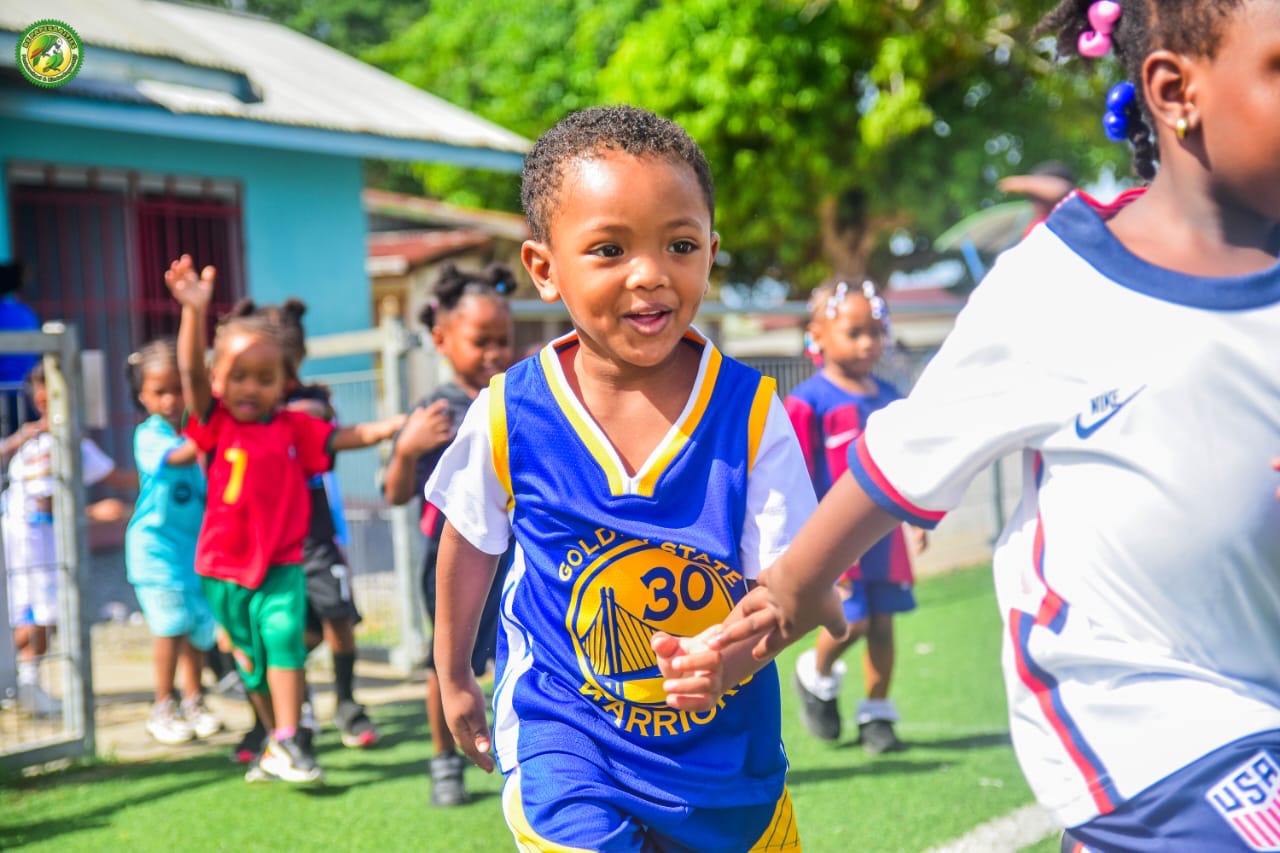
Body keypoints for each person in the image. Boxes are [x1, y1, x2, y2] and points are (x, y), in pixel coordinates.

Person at [666, 1, 1280, 850]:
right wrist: (782, 599)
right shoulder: (1063, 286)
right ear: (1176, 91)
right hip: (1142, 720)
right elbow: (897, 464)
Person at [425, 104, 816, 850]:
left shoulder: (752, 414)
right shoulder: (509, 412)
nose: (651, 274)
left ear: (711, 253)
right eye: (609, 249)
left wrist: (728, 658)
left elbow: (787, 588)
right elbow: (468, 540)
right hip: (568, 739)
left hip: (725, 767)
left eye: (680, 245)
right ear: (545, 269)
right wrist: (453, 673)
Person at [163, 255, 403, 784]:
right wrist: (193, 312)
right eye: (238, 376)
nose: (250, 388)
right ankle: (275, 739)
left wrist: (391, 427)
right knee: (250, 662)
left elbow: (341, 438)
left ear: (284, 384)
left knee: (284, 640)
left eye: (264, 378)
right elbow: (190, 373)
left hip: (281, 564)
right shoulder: (215, 423)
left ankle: (291, 737)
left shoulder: (293, 426)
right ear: (218, 379)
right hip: (224, 569)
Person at [218, 297, 382, 762]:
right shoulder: (237, 410)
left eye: (272, 366)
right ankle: (272, 722)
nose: (258, 380)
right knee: (264, 635)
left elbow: (318, 419)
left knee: (337, 618)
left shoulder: (309, 403)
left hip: (313, 534)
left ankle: (346, 703)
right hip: (256, 546)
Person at [382, 261, 516, 807]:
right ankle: (444, 761)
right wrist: (407, 448)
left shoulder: (513, 401)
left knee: (513, 654)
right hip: (451, 564)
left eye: (503, 340)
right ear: (441, 339)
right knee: (449, 663)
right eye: (481, 341)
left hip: (513, 560)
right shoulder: (434, 412)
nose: (495, 353)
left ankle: (519, 749)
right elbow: (394, 493)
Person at [785, 279, 924, 754]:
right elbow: (795, 476)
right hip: (835, 538)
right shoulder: (807, 402)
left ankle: (877, 715)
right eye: (855, 332)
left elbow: (907, 465)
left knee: (883, 623)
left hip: (884, 534)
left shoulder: (890, 397)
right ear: (818, 336)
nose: (869, 343)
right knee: (853, 621)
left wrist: (916, 519)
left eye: (877, 332)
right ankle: (816, 672)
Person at [3, 362, 134, 716]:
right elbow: (46, 502)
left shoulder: (69, 441)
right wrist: (94, 513)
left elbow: (117, 478)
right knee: (42, 615)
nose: (42, 399)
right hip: (31, 542)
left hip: (40, 541)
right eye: (39, 393)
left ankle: (24, 681)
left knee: (41, 614)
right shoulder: (37, 440)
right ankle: (24, 680)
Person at [124, 338, 224, 745]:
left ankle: (194, 701)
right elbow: (180, 457)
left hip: (194, 552)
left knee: (198, 629)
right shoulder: (150, 436)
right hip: (156, 551)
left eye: (178, 389)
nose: (170, 400)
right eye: (159, 391)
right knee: (171, 627)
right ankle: (163, 706)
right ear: (142, 396)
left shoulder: (192, 432)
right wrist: (211, 431)